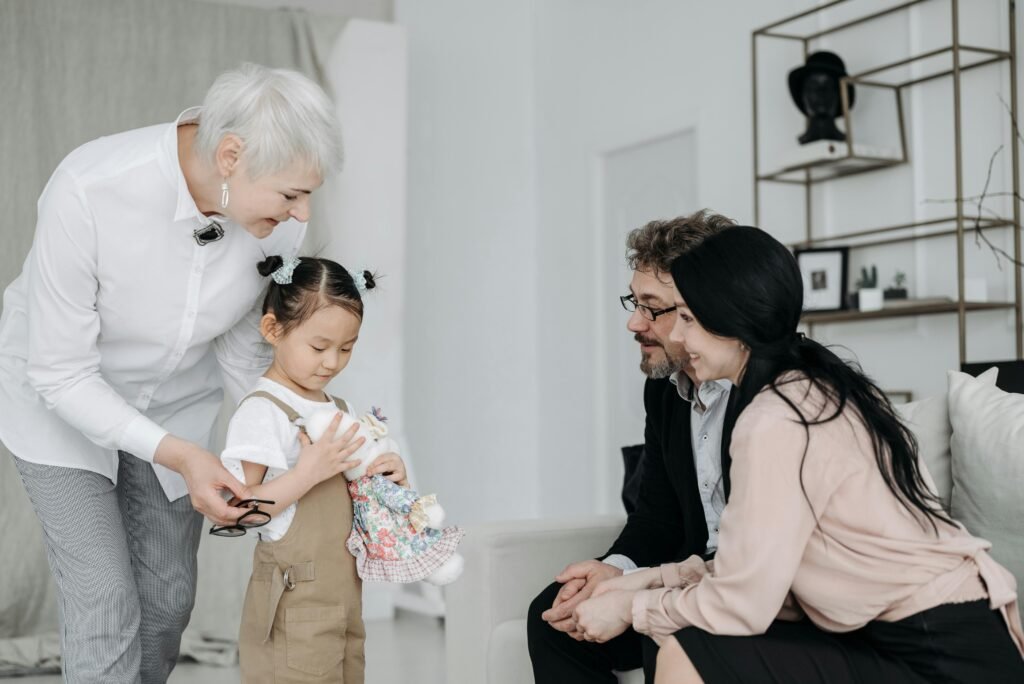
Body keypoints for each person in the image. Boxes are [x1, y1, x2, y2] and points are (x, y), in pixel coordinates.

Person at [0, 63, 348, 682]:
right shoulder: (89, 188)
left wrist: (263, 457)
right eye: (291, 194)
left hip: (176, 403)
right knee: (105, 599)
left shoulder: (280, 230)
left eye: (309, 195)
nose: (302, 215)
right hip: (58, 398)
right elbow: (61, 373)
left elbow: (245, 355)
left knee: (166, 602)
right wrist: (184, 457)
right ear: (231, 155)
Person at [574, 226, 1024, 683]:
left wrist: (633, 608)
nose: (681, 339)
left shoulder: (775, 418)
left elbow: (742, 604)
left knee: (690, 652)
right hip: (921, 637)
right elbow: (761, 567)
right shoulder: (809, 389)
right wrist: (645, 580)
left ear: (732, 320)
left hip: (940, 654)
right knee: (692, 644)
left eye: (688, 319)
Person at [528, 210, 737, 683]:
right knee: (553, 618)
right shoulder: (664, 387)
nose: (633, 323)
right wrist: (614, 570)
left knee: (659, 632)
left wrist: (639, 591)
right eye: (634, 302)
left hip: (737, 584)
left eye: (652, 307)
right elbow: (657, 514)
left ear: (704, 307)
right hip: (679, 572)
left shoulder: (769, 393)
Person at [219, 255, 408, 683]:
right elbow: (240, 508)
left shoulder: (337, 408)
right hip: (294, 603)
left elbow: (357, 497)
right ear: (273, 330)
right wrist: (308, 471)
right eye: (319, 347)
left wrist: (388, 478)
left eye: (347, 348)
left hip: (343, 596)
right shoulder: (263, 411)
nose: (332, 362)